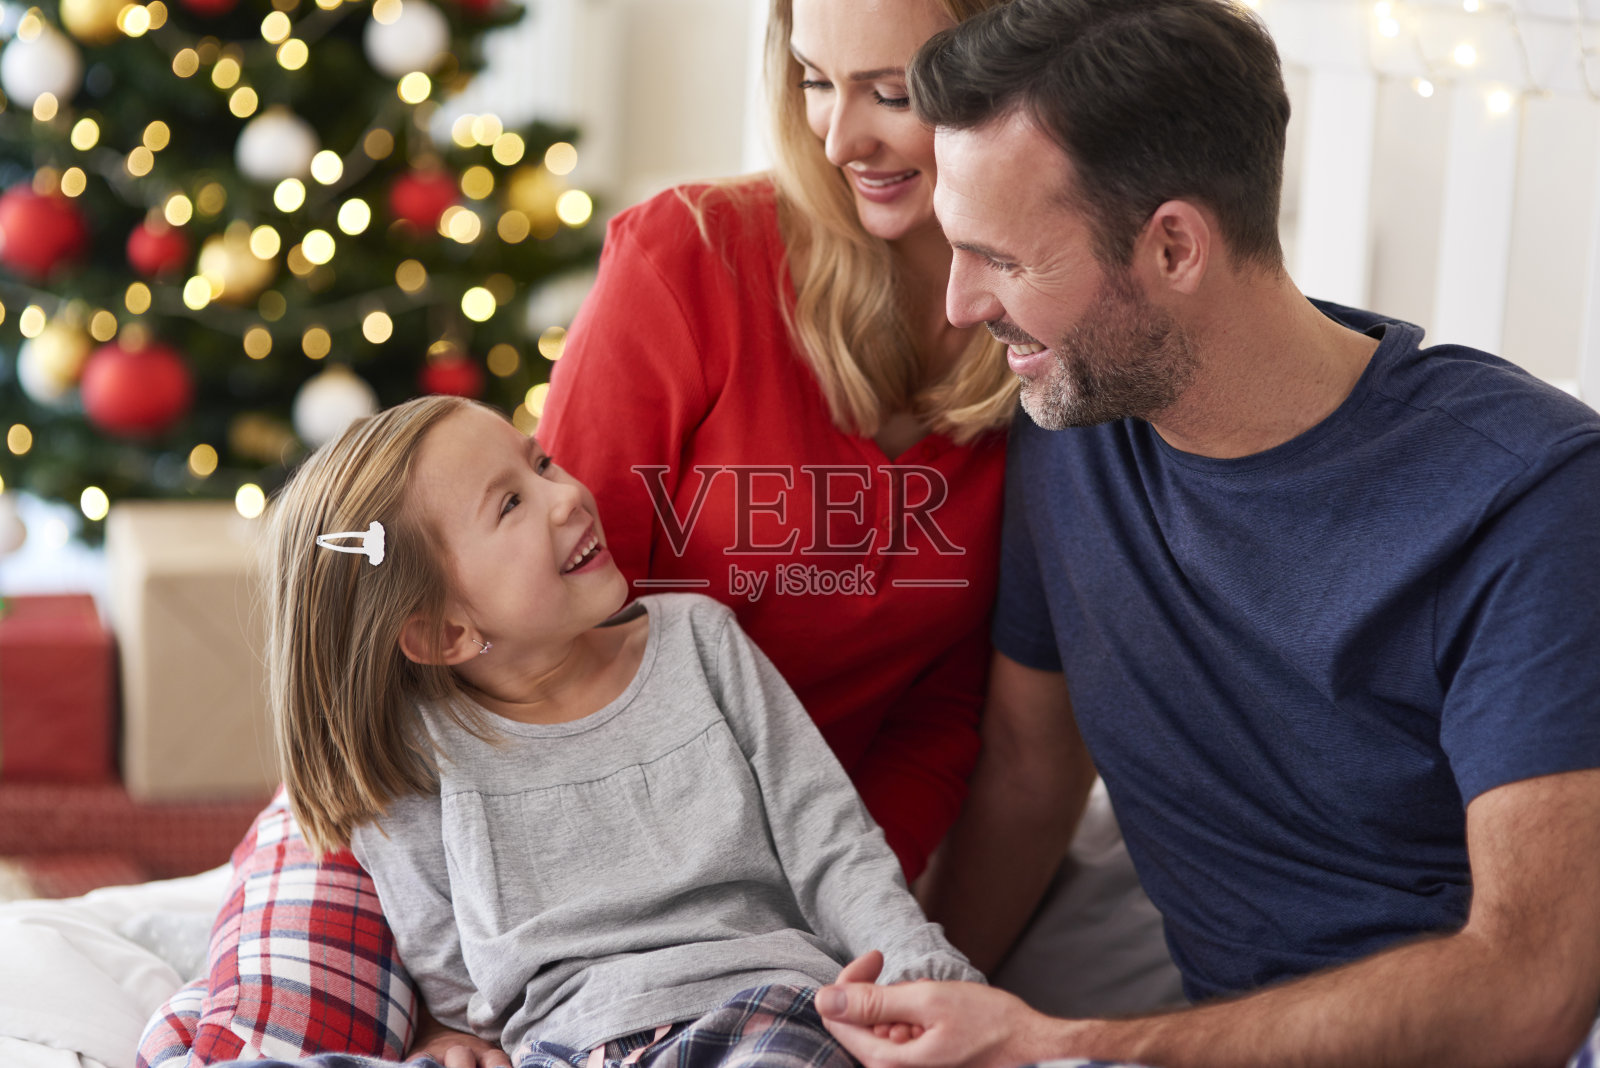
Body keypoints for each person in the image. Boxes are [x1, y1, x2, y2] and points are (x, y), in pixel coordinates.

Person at [143, 0, 1184, 1062]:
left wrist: (864, 955)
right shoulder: (687, 259)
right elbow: (531, 619)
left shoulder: (1053, 360)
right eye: (814, 81)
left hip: (744, 901)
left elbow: (963, 727)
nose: (837, 139)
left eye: (889, 91)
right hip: (464, 812)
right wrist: (462, 1015)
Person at [814, 0, 1600, 1065]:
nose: (959, 305)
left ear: (1173, 246)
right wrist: (929, 995)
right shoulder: (1071, 419)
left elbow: (1528, 994)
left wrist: (1070, 1045)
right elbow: (1029, 773)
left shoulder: (1531, 499)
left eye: (998, 258)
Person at [218, 394, 984, 1068]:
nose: (565, 497)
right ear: (445, 633)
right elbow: (442, 954)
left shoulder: (700, 643)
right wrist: (446, 1033)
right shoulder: (417, 754)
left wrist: (918, 968)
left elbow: (831, 843)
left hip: (758, 1012)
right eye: (510, 504)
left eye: (541, 463)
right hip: (563, 1047)